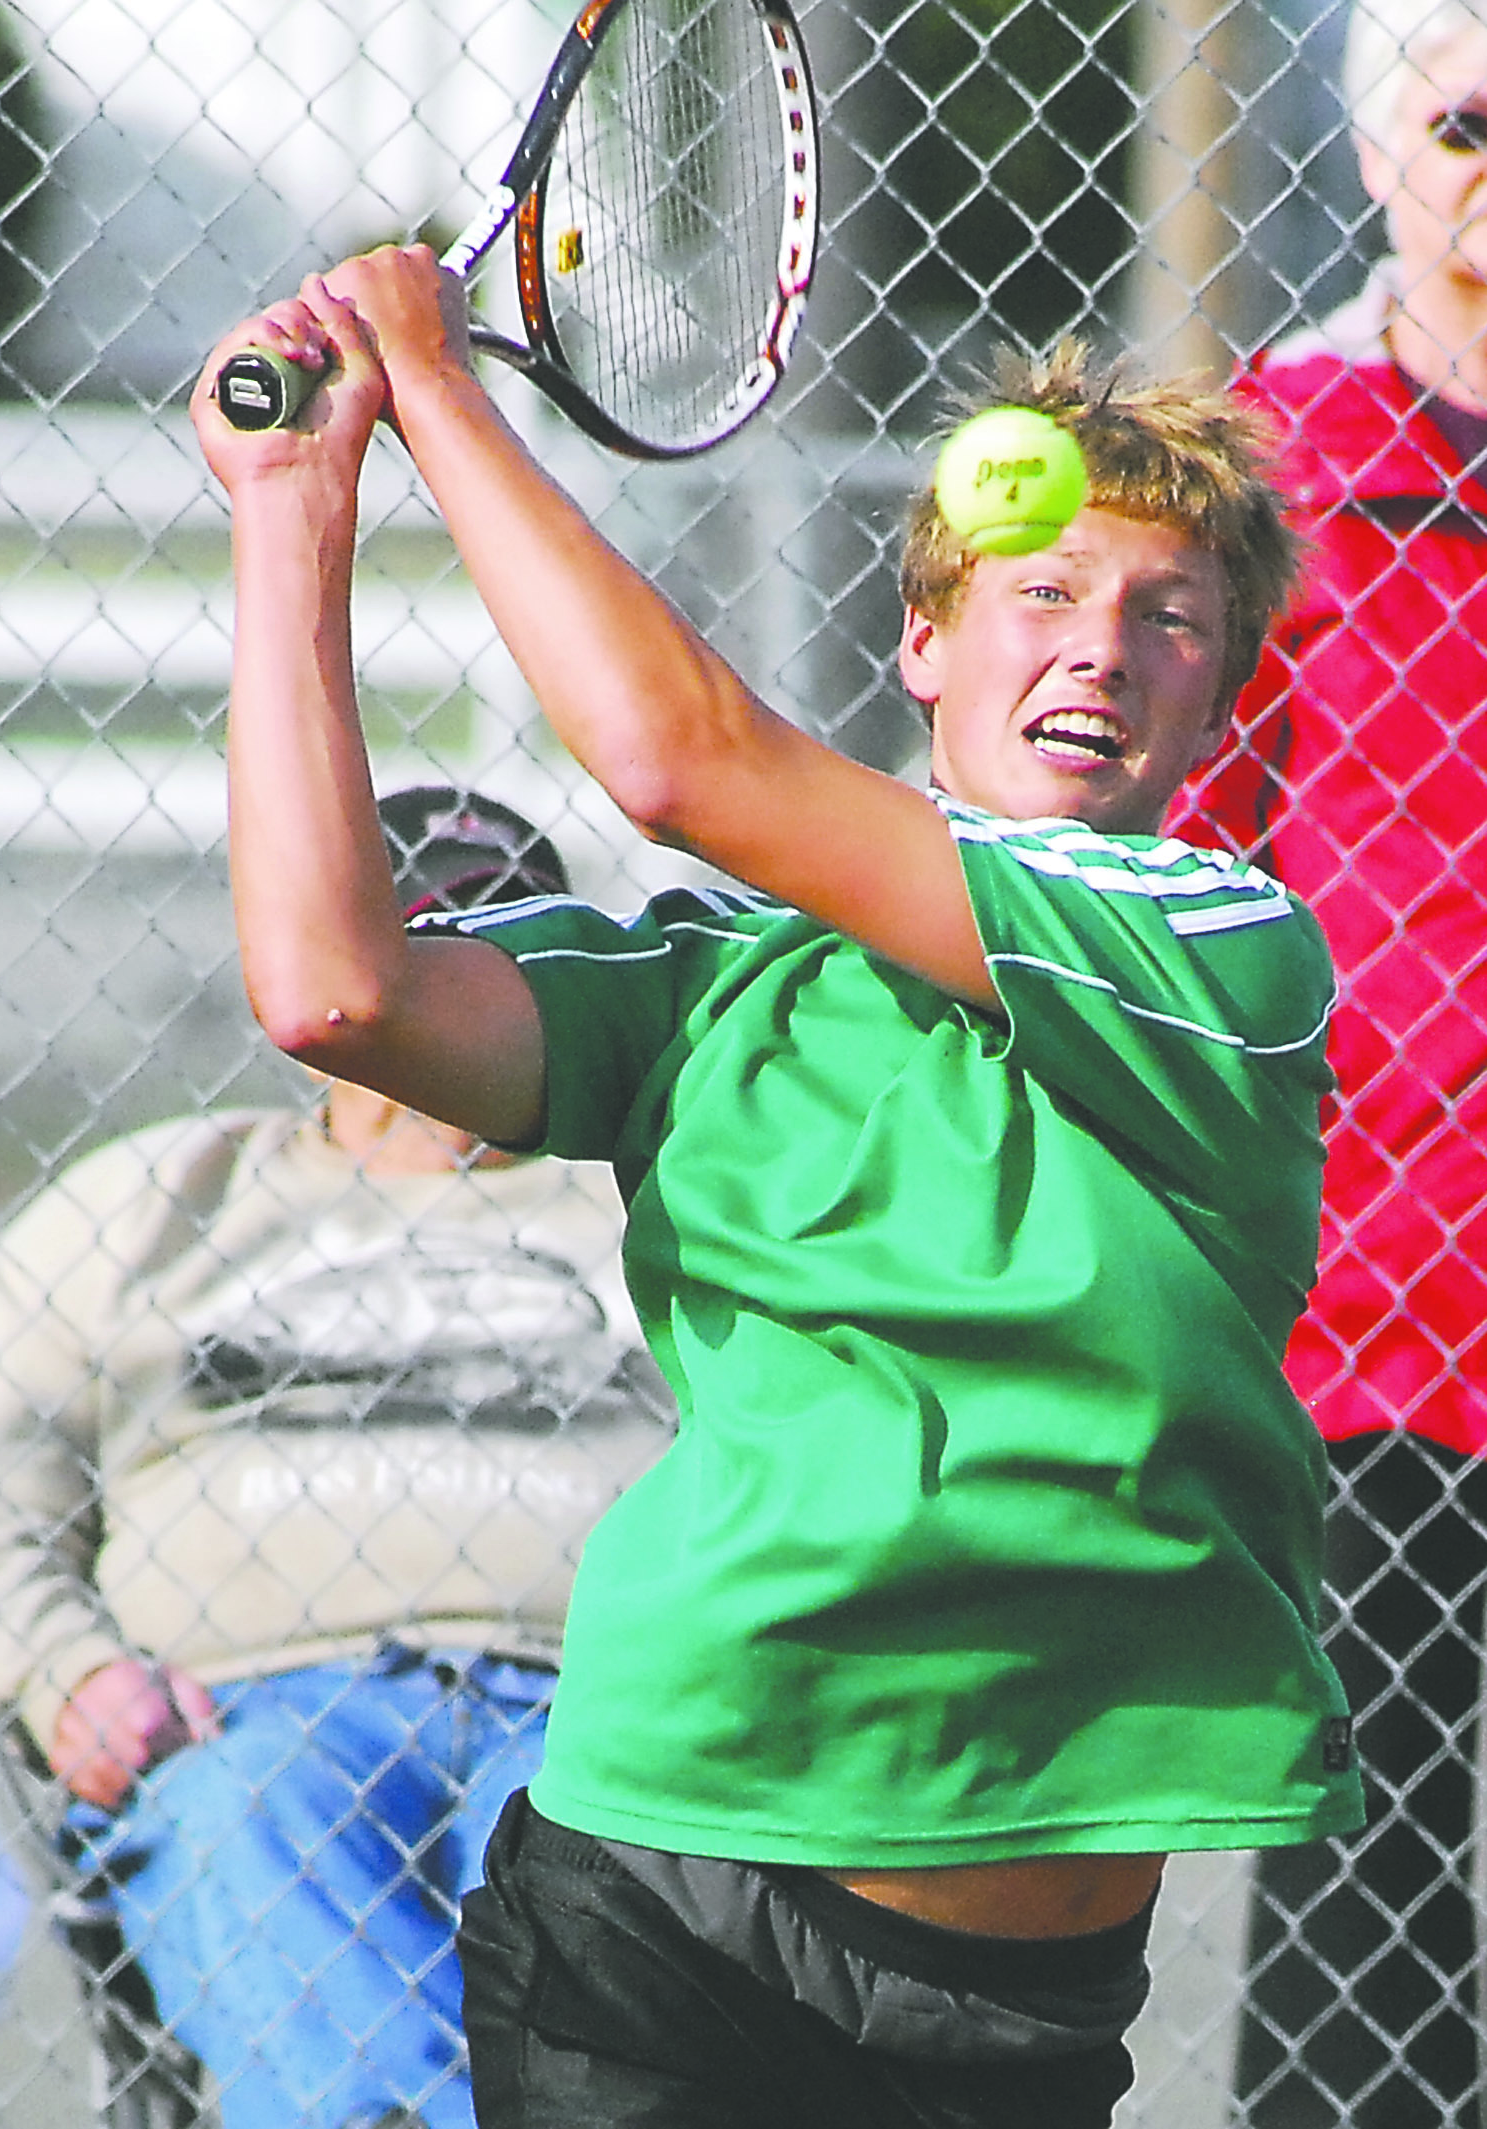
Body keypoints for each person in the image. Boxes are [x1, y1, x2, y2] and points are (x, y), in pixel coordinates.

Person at [189, 248, 1365, 2129]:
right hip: (648, 1903)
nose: (1099, 647)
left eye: (1171, 617)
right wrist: (293, 507)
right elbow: (339, 989)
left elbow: (679, 760)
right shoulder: (710, 979)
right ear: (926, 643)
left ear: (1220, 695)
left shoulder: (1219, 952)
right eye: (1043, 588)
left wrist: (442, 390)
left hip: (994, 1988)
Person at [0, 783, 675, 2129]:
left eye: (492, 951)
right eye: (408, 950)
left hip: (605, 1711)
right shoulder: (163, 1196)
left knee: (595, 1871)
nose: (437, 997)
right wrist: (70, 1674)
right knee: (249, 1816)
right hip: (243, 1714)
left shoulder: (659, 1196)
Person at [1173, 4, 1487, 2123]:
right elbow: (1192, 872)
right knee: (1378, 1901)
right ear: (1376, 154)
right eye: (1465, 125)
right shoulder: (1279, 463)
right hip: (1384, 1301)